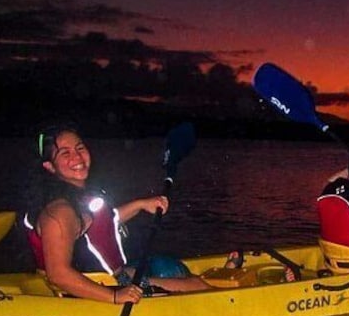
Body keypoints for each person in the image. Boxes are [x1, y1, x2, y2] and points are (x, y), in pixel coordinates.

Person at [23, 123, 211, 304]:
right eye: (65, 153)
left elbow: (101, 223)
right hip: (97, 290)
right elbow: (58, 275)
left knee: (168, 267)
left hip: (112, 277)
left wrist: (140, 205)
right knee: (197, 285)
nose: (77, 157)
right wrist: (115, 297)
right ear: (49, 166)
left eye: (80, 148)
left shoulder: (77, 196)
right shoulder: (59, 212)